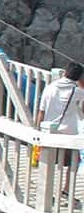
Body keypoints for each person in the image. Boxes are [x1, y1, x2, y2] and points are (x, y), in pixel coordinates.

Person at [36, 62, 84, 202]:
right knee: (73, 162)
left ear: (65, 72)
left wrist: (38, 131)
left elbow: (41, 111)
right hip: (67, 134)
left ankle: (46, 192)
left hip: (48, 132)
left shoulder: (50, 87)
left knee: (49, 163)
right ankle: (66, 190)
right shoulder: (76, 91)